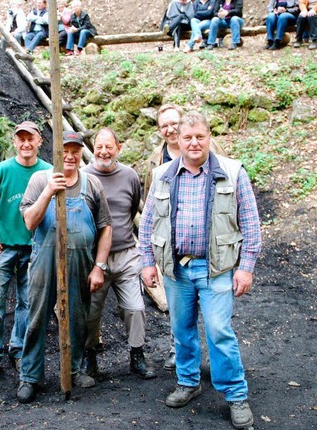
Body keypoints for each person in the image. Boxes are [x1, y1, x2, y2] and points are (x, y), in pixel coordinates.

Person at [139, 111, 261, 429]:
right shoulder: (163, 173)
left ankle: (236, 396)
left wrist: (245, 268)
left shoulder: (233, 173)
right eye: (187, 137)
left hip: (216, 269)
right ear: (177, 140)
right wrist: (147, 262)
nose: (193, 143)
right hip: (176, 270)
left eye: (200, 136)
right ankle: (189, 382)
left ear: (209, 137)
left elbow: (250, 223)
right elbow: (148, 221)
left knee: (220, 332)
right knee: (182, 331)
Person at [16, 131, 113, 403]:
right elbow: (30, 222)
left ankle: (73, 369)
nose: (69, 156)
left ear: (81, 153)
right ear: (56, 152)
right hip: (45, 262)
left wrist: (99, 267)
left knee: (76, 317)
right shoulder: (39, 179)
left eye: (75, 151)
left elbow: (106, 228)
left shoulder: (92, 184)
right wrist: (49, 191)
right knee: (36, 318)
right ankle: (30, 376)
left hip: (80, 263)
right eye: (64, 150)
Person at [144, 104, 227, 371]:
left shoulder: (210, 153)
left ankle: (224, 374)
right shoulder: (155, 163)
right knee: (180, 316)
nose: (169, 129)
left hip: (210, 253)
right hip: (175, 253)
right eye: (164, 126)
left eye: (173, 123)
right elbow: (148, 206)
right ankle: (181, 361)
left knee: (217, 323)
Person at [0, 121, 52, 382]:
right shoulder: (1, 171)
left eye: (31, 139)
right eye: (21, 139)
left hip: (37, 251)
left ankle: (19, 350)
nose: (26, 144)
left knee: (28, 304)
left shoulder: (49, 173)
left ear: (40, 141)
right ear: (14, 141)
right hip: (4, 249)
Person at [81, 128, 156, 380]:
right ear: (93, 149)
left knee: (135, 308)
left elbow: (133, 206)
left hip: (126, 253)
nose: (103, 152)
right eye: (98, 147)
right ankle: (89, 356)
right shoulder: (83, 177)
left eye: (108, 147)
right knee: (91, 311)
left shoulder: (130, 176)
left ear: (118, 148)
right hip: (93, 258)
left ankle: (137, 355)